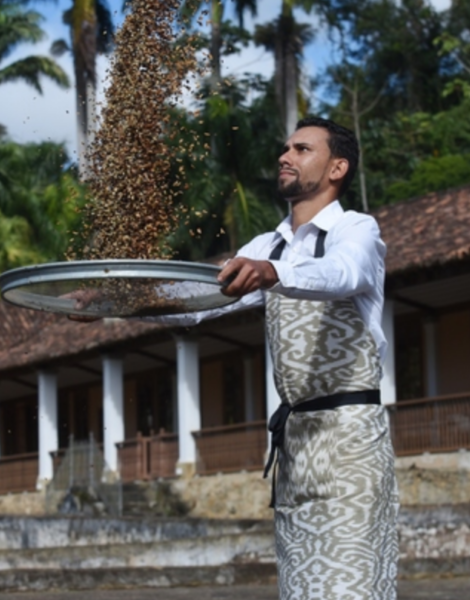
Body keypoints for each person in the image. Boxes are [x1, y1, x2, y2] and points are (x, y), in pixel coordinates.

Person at [145, 116, 399, 599]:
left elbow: (343, 274)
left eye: (302, 149)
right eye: (285, 148)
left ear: (337, 168)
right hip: (295, 448)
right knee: (300, 590)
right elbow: (196, 302)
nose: (285, 156)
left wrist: (271, 272)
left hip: (349, 444)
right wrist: (116, 302)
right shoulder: (269, 244)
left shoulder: (356, 230)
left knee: (351, 589)